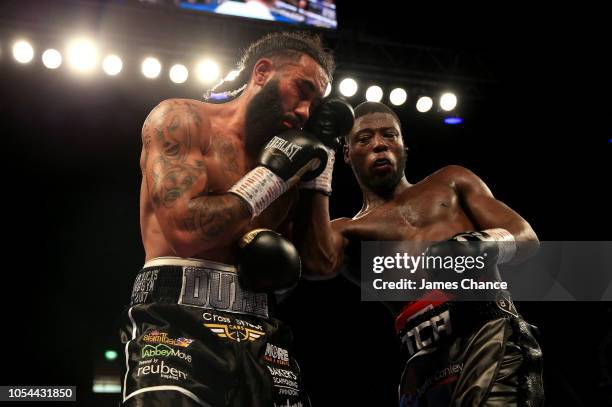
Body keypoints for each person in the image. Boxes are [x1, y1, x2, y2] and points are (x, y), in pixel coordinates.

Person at [119, 31, 354, 406]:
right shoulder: (183, 119)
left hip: (261, 328)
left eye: (316, 103)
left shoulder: (290, 165)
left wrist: (318, 171)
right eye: (302, 90)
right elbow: (185, 231)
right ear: (261, 72)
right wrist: (270, 177)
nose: (306, 112)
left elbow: (317, 262)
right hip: (175, 322)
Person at [296, 101, 545, 406]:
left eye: (389, 135)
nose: (379, 145)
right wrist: (321, 160)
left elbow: (526, 237)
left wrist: (481, 244)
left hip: (488, 339)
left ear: (404, 145)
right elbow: (314, 263)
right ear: (346, 153)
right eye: (364, 138)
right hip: (424, 367)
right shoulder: (347, 230)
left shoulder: (451, 182)